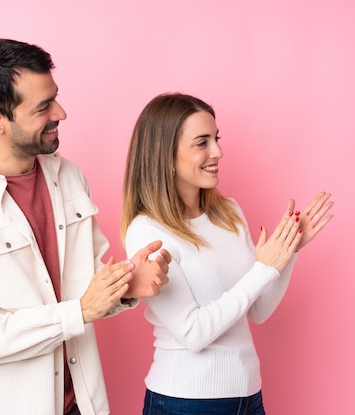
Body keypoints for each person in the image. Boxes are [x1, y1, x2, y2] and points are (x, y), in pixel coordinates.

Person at [0, 38, 171, 415]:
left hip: (78, 405)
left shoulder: (69, 177)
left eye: (55, 97)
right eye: (43, 107)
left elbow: (90, 285)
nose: (61, 112)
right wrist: (78, 312)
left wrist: (127, 282)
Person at [121, 93, 334, 415]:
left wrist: (288, 250)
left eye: (216, 139)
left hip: (248, 397)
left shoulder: (228, 212)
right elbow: (194, 332)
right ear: (165, 154)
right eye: (202, 142)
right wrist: (265, 267)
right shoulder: (147, 232)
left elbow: (258, 309)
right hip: (185, 402)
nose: (218, 151)